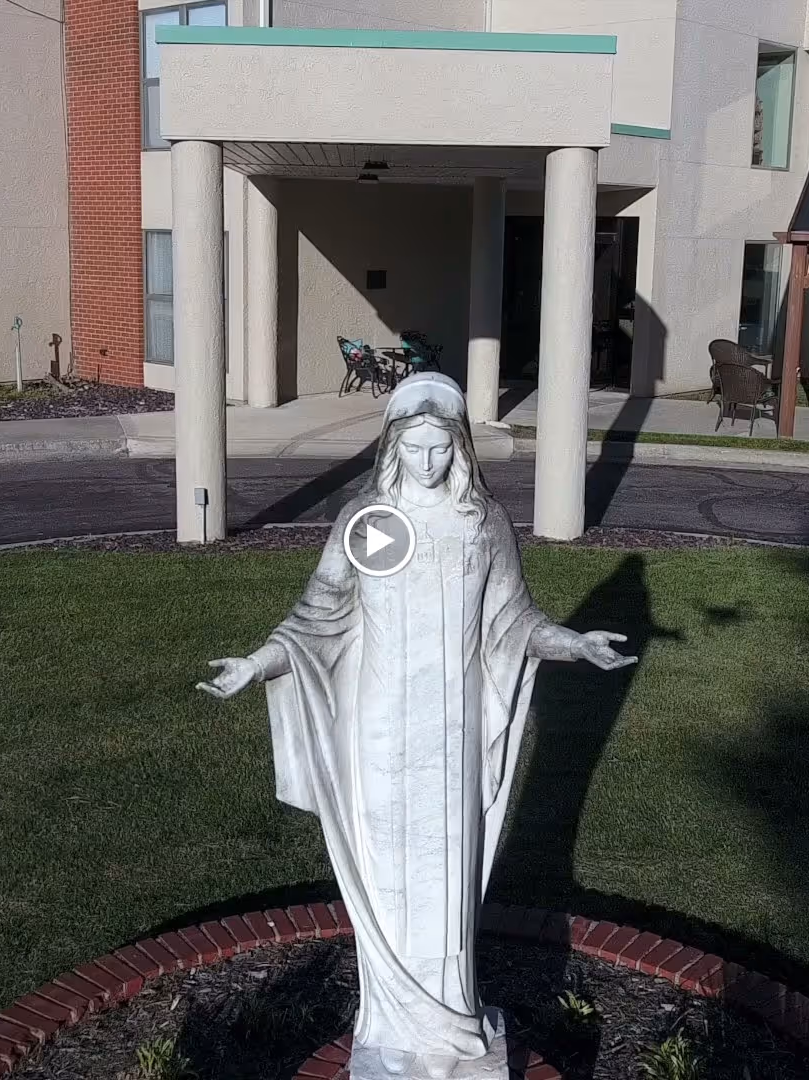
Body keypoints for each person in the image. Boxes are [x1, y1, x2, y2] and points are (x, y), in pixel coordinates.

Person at [199, 374, 634, 1079]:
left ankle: (448, 1012)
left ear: (458, 449)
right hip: (381, 726)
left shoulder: (482, 523)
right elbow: (316, 617)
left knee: (448, 866)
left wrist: (571, 644)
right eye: (415, 448)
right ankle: (393, 1022)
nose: (428, 463)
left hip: (453, 725)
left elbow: (514, 619)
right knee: (391, 868)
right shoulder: (365, 522)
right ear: (393, 447)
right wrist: (258, 663)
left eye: (440, 449)